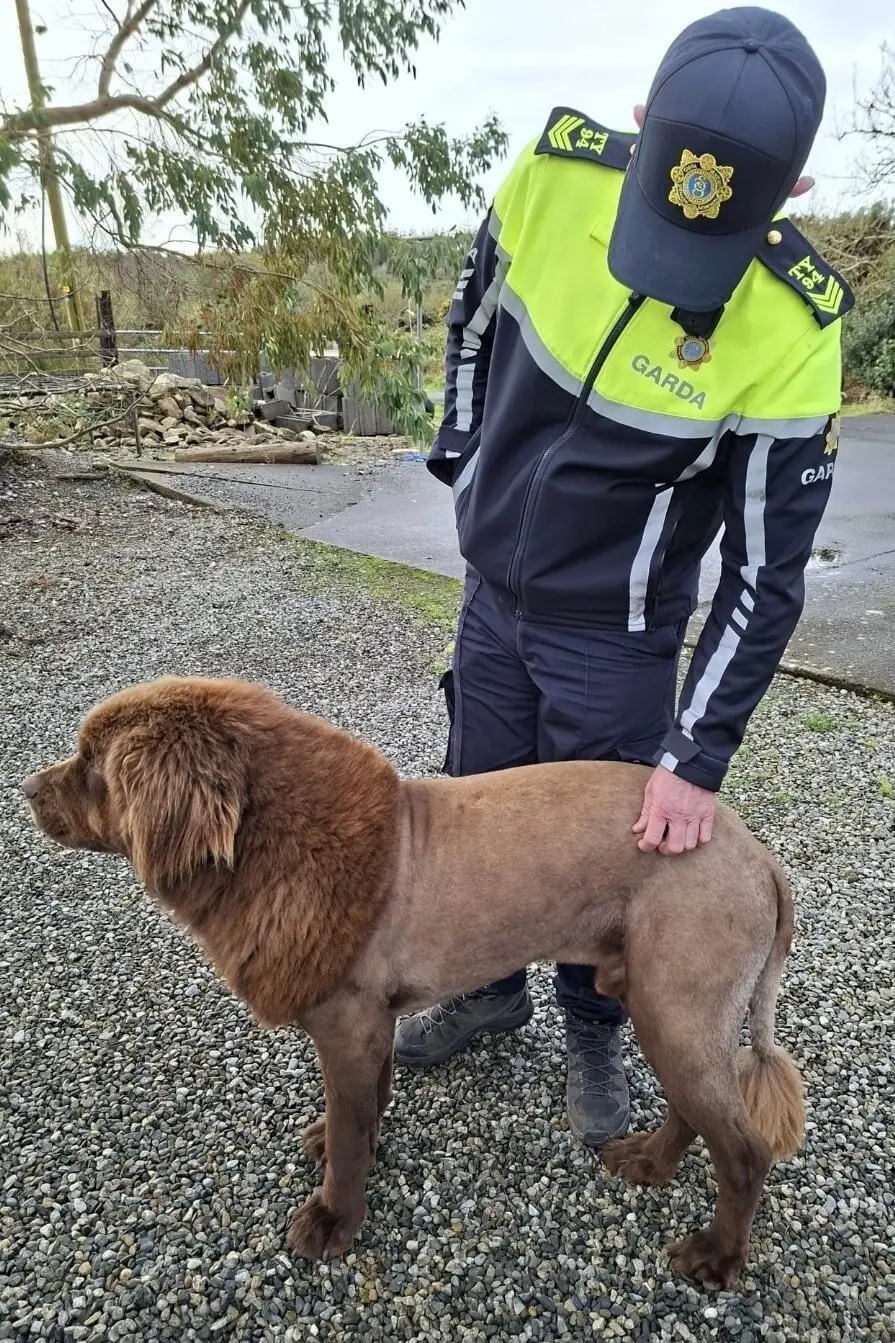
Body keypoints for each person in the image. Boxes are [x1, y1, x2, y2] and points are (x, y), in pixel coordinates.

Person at [395, 6, 853, 1147]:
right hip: (492, 601)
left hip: (620, 634)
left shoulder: (794, 325)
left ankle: (594, 1029)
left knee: (611, 859)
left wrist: (695, 761)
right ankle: (490, 990)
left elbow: (764, 575)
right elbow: (467, 320)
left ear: (787, 199)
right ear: (640, 127)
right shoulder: (552, 177)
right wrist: (463, 462)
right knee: (474, 812)